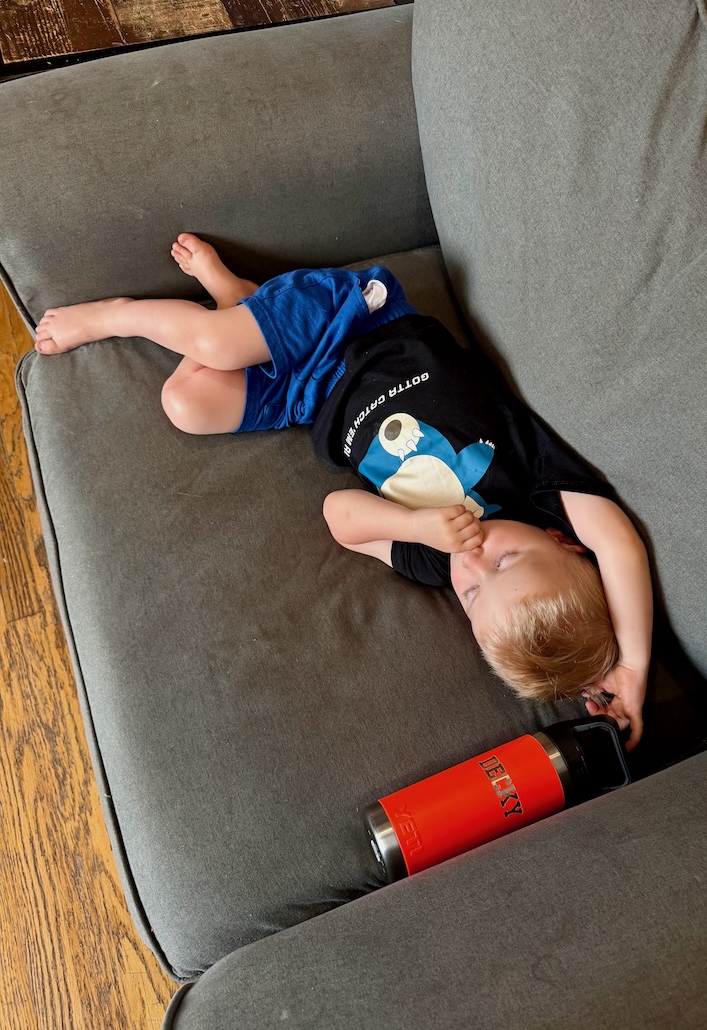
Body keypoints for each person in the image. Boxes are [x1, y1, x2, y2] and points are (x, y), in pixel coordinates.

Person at [34, 234, 652, 748]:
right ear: (562, 542)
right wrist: (632, 668)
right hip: (355, 322)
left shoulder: (434, 557)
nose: (473, 559)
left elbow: (340, 517)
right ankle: (116, 314)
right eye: (507, 561)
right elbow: (620, 546)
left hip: (309, 398)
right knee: (216, 344)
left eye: (471, 591)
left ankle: (238, 301)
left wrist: (416, 526)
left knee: (185, 403)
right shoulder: (538, 483)